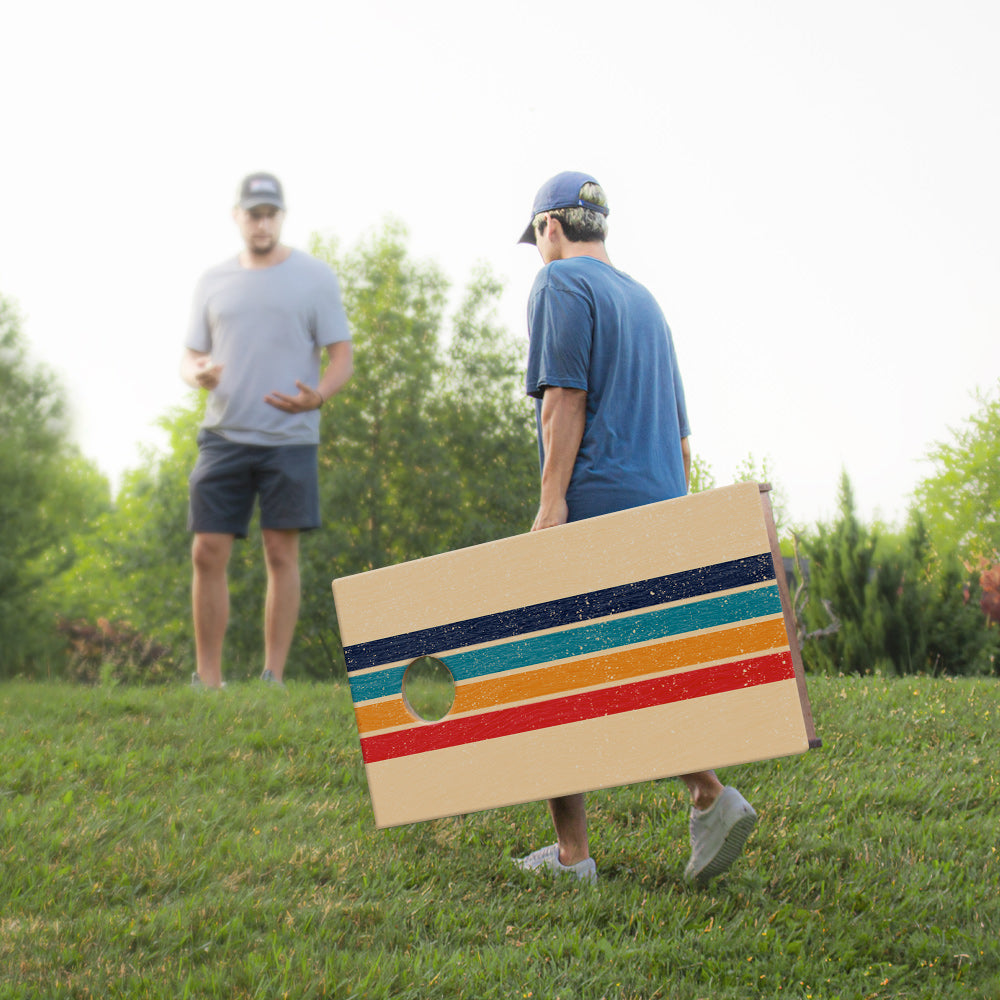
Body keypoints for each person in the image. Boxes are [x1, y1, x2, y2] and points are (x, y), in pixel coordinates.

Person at [513, 171, 757, 886]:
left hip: (595, 496)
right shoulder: (648, 304)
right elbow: (682, 439)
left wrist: (552, 503)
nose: (536, 249)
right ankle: (709, 795)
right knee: (630, 666)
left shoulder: (561, 285)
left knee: (554, 672)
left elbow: (564, 398)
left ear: (551, 227)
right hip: (661, 500)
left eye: (534, 236)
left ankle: (573, 856)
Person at [181, 172, 353, 689]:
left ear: (281, 216)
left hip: (289, 438)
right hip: (224, 436)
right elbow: (190, 355)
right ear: (238, 216)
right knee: (206, 550)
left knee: (281, 552)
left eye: (270, 213)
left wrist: (318, 395)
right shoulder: (212, 280)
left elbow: (342, 355)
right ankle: (208, 679)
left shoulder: (315, 277)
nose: (261, 222)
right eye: (253, 213)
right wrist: (198, 373)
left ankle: (272, 676)